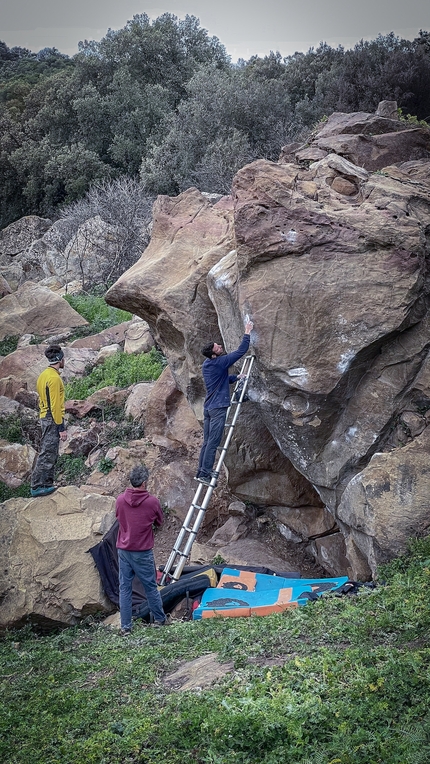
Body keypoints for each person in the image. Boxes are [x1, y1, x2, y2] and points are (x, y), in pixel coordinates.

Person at [196, 318, 254, 486]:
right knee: (213, 442)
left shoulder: (208, 364)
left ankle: (202, 471)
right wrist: (247, 332)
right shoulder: (220, 361)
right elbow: (241, 351)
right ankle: (205, 474)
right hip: (218, 408)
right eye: (218, 347)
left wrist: (236, 377)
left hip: (208, 408)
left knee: (207, 442)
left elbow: (221, 379)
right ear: (214, 354)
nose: (220, 346)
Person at [116, 464, 170, 635]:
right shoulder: (152, 502)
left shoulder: (120, 500)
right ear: (145, 482)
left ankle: (125, 627)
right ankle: (160, 619)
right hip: (142, 551)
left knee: (125, 588)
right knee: (150, 587)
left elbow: (119, 517)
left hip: (124, 550)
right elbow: (159, 522)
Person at [30, 344, 67, 497]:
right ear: (60, 359)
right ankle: (38, 486)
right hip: (52, 418)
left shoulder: (43, 375)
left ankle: (47, 483)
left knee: (48, 450)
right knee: (48, 452)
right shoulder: (54, 378)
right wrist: (61, 427)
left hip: (44, 416)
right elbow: (55, 405)